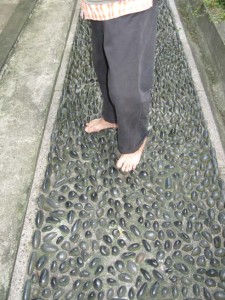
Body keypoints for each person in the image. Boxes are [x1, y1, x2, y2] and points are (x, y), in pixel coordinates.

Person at [81, 0, 158, 172]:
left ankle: (134, 141)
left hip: (129, 6)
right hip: (98, 7)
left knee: (126, 81)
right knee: (103, 65)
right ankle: (112, 117)